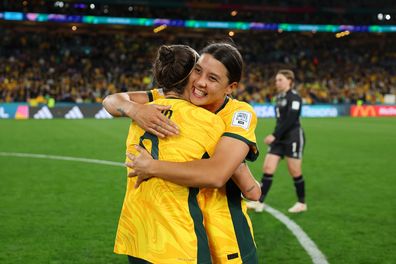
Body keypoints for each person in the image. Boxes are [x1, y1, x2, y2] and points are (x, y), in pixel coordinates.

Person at [124, 43, 260, 263]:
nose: (200, 82)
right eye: (198, 70)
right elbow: (113, 100)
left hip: (227, 237)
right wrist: (134, 110)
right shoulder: (179, 99)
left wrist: (151, 167)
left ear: (230, 87)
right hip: (187, 236)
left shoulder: (238, 113)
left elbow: (218, 175)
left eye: (213, 78)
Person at [114, 44, 226, 263]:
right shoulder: (209, 122)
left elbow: (113, 101)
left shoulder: (140, 115)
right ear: (192, 75)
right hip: (177, 237)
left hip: (137, 233)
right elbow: (228, 176)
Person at [246, 69, 307, 213]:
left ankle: (302, 203)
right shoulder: (279, 97)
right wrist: (276, 135)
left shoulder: (295, 98)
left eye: (280, 80)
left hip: (293, 138)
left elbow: (291, 120)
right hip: (279, 138)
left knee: (295, 171)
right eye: (276, 80)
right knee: (268, 168)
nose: (277, 83)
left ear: (289, 81)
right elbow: (280, 121)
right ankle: (259, 202)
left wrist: (274, 135)